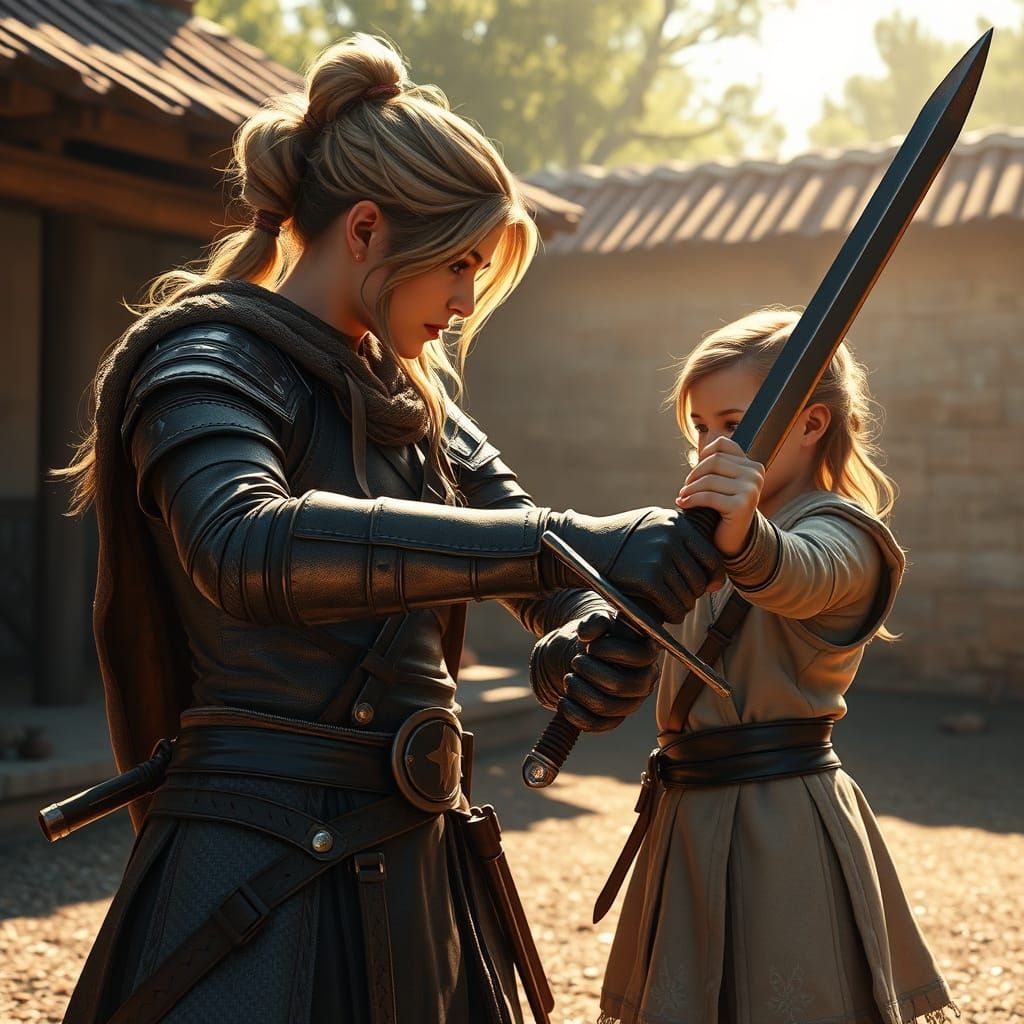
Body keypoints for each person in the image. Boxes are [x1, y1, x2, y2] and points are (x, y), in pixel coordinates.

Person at [54, 33, 724, 1024]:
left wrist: (580, 632)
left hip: (422, 862)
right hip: (254, 861)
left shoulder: (420, 405)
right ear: (365, 228)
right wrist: (567, 543)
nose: (464, 300)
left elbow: (539, 555)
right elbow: (244, 544)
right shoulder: (205, 364)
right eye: (457, 262)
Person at [597, 309, 956, 1024]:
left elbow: (802, 573)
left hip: (780, 821)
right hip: (684, 810)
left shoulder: (843, 530)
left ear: (811, 423)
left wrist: (746, 539)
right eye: (699, 427)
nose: (709, 446)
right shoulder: (695, 538)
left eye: (730, 423)